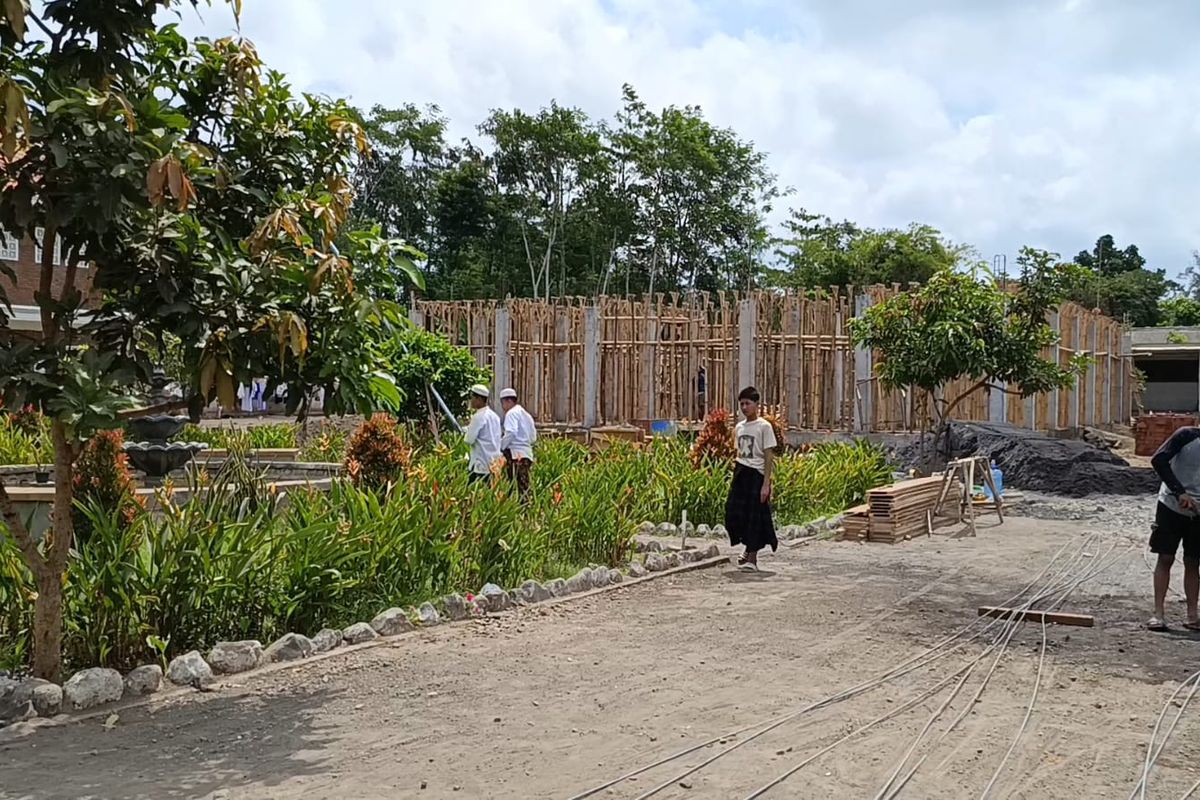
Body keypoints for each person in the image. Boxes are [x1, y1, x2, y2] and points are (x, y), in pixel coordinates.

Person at [1147, 426, 1200, 631]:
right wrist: (1179, 492)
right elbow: (1158, 460)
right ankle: (1158, 614)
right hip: (1171, 505)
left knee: (1193, 561)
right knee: (1166, 557)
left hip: (1197, 512)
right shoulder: (1186, 436)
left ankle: (1192, 615)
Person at [725, 386, 778, 571]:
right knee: (734, 512)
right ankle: (746, 547)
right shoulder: (739, 427)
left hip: (757, 473)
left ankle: (752, 558)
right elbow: (738, 452)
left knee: (755, 516)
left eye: (748, 403)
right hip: (741, 471)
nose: (744, 407)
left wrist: (766, 483)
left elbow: (768, 455)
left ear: (756, 404)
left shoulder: (764, 427)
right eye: (742, 404)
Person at [499, 387, 537, 501]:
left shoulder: (511, 414)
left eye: (503, 403)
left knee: (513, 486)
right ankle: (526, 511)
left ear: (508, 401)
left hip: (515, 454)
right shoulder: (526, 415)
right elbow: (533, 437)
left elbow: (511, 432)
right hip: (527, 454)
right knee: (524, 485)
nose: (503, 407)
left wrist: (501, 447)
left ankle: (521, 510)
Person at [463, 384, 501, 485]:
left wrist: (466, 432)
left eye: (473, 398)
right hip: (493, 462)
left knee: (473, 493)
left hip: (480, 463)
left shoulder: (478, 417)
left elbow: (469, 439)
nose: (471, 401)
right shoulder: (495, 416)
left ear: (479, 399)